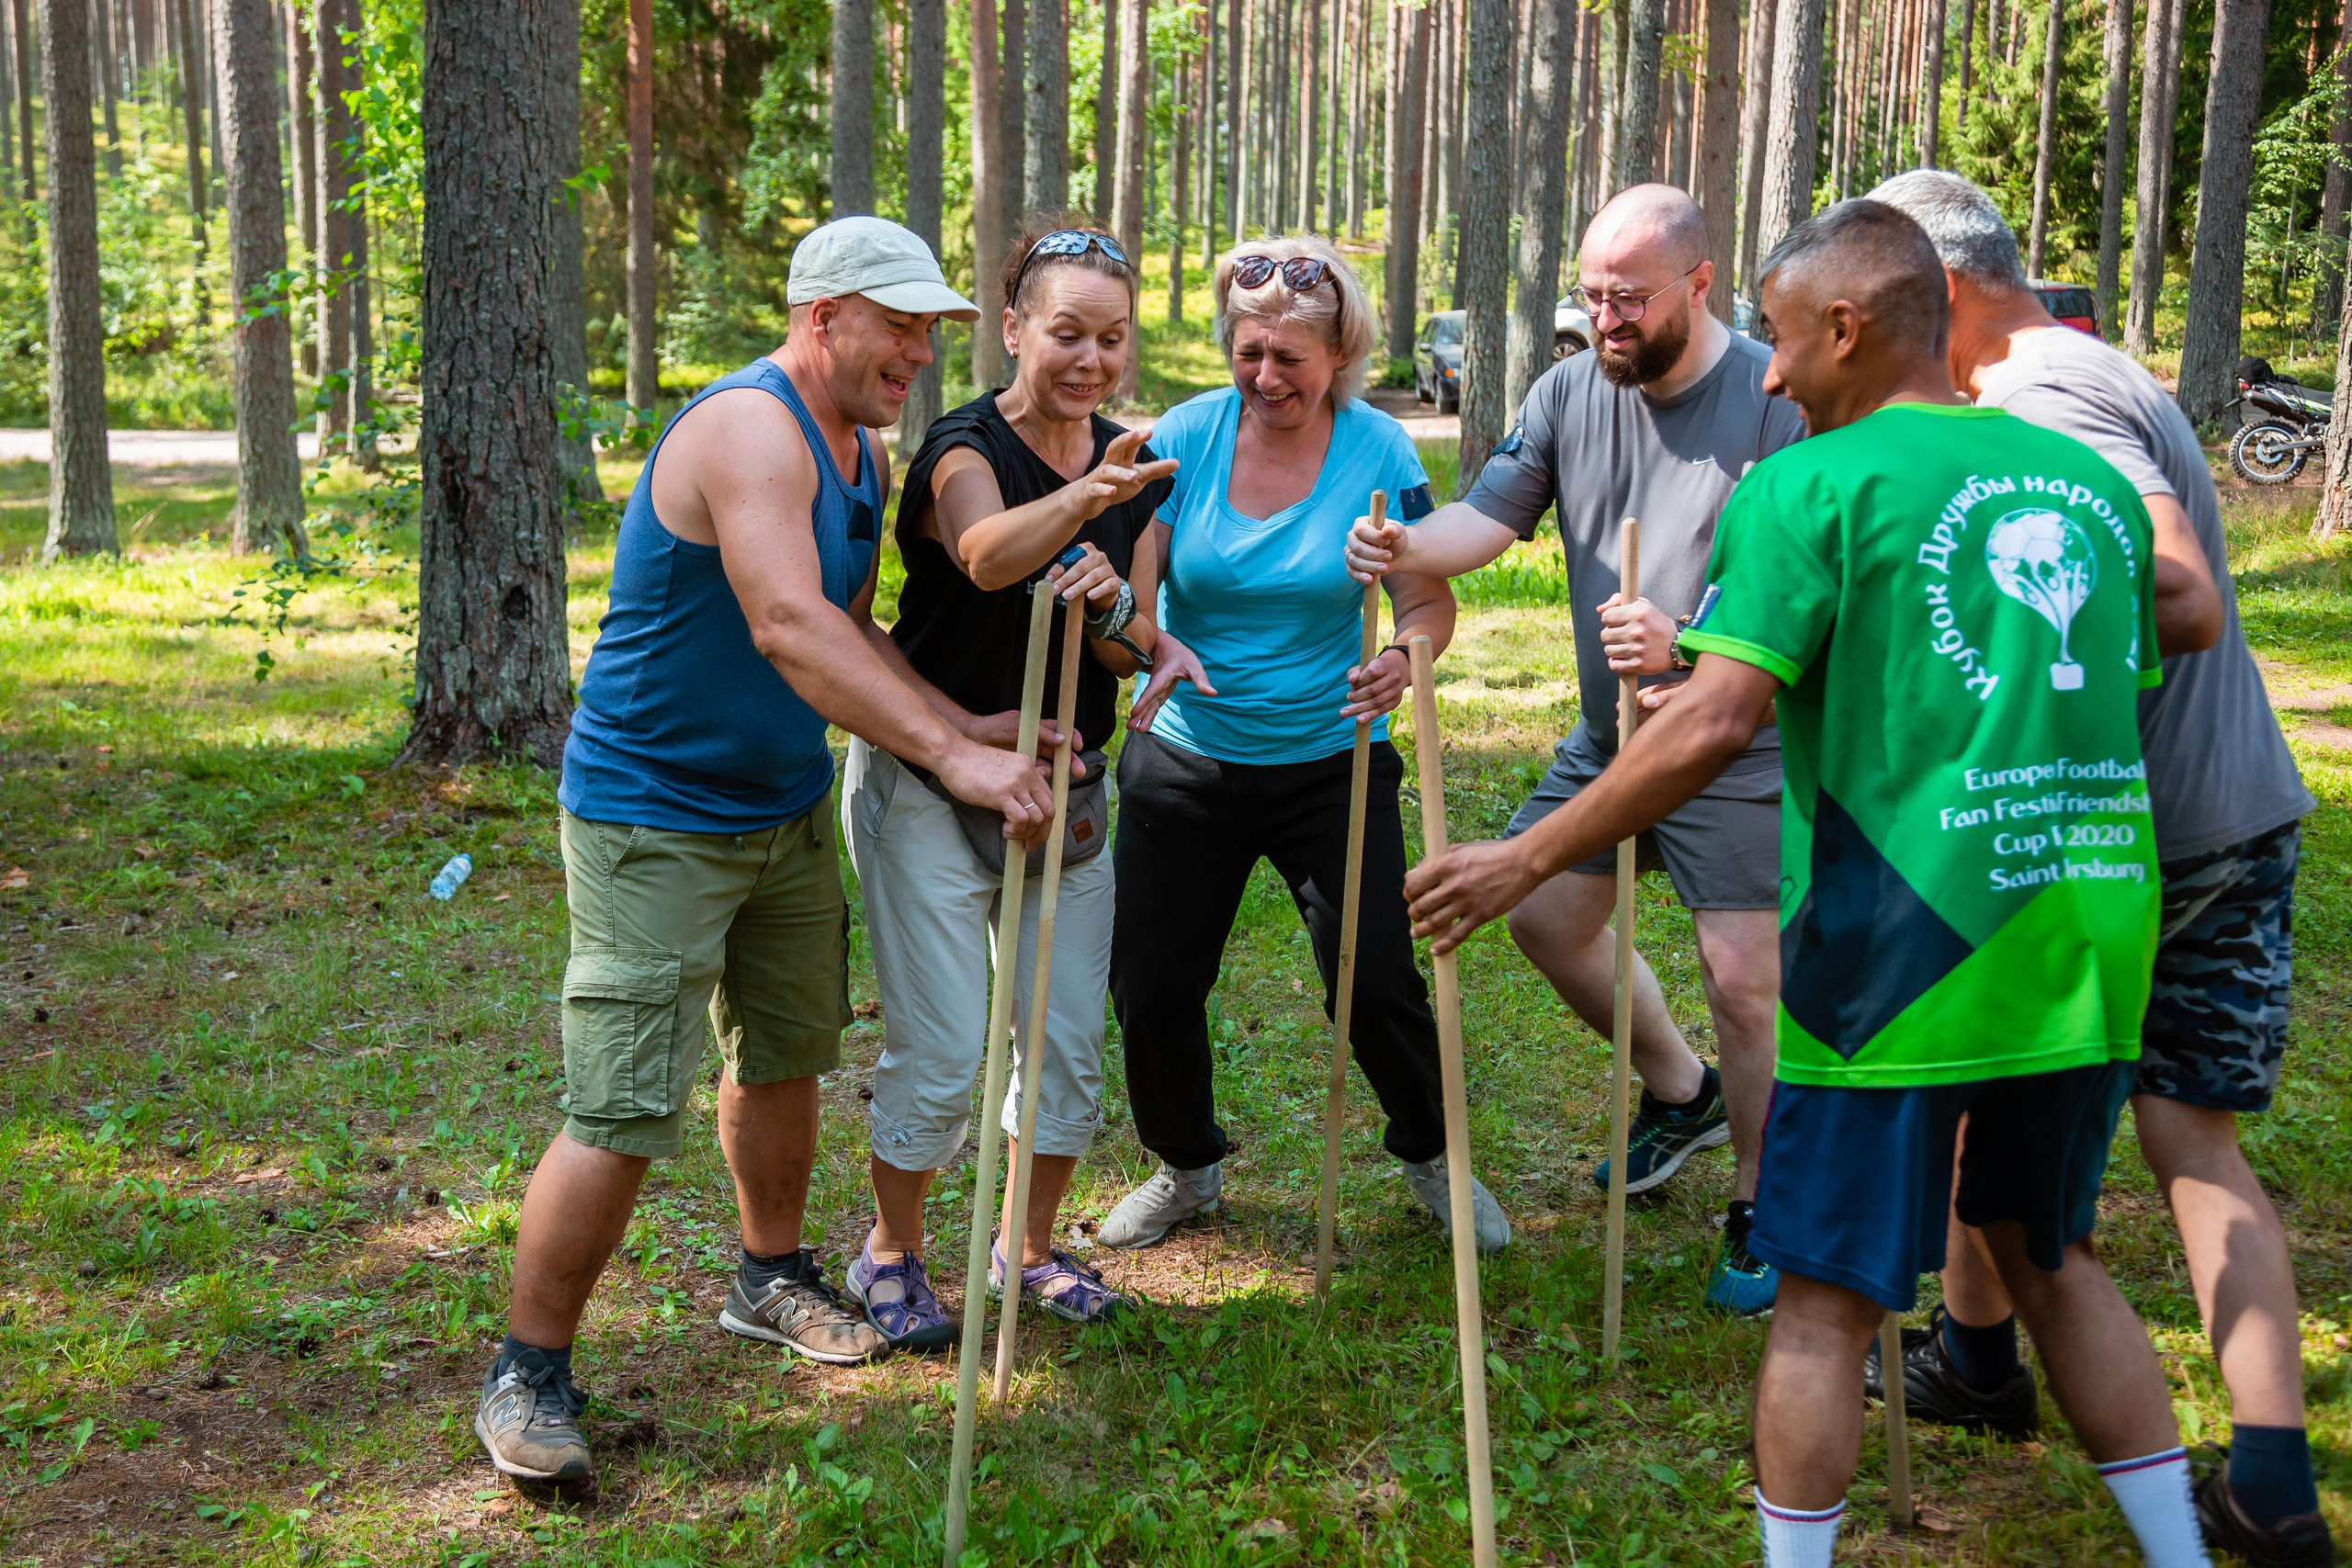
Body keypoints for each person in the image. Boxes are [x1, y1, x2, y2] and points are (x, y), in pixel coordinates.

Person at [1402, 200, 2224, 1568]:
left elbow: (1715, 719)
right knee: (2049, 1257)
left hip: (1901, 947)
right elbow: (2100, 679)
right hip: (2080, 929)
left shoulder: (1808, 484)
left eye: (1781, 341)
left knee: (1825, 1297)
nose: (1769, 377)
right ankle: (2182, 1554)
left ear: (1847, 326)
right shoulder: (2076, 482)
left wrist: (1524, 854)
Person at [473, 218, 1058, 1485]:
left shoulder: (858, 444)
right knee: (624, 1100)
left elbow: (850, 621)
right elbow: (788, 624)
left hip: (782, 803)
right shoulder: (749, 428)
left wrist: (962, 719)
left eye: (930, 329)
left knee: (787, 1051)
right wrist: (955, 765)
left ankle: (769, 1272)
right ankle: (530, 1367)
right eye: (897, 324)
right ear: (821, 315)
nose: (918, 349)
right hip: (653, 815)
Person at [1869, 170, 2329, 1568]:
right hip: (2230, 809)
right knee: (2176, 1132)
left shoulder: (2037, 397)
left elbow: (2178, 586)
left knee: (2059, 1114)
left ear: (1938, 291)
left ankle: (2210, 1458)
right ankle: (2007, 1367)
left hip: (2129, 833)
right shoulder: (2081, 360)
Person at [1345, 184, 1804, 1314]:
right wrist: (1407, 543)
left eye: (1629, 299)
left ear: (1700, 285)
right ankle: (1679, 1088)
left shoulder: (1776, 401)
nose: (1604, 319)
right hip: (1614, 739)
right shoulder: (1567, 391)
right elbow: (1486, 523)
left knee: (1746, 982)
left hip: (1735, 739)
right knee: (1545, 914)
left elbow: (1811, 592)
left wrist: (1694, 640)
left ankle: (1767, 1206)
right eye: (1591, 296)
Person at [1098, 235, 1511, 1254]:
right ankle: (1184, 1166)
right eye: (1249, 353)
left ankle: (1431, 1157)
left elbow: (1425, 599)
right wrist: (1150, 641)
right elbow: (1135, 599)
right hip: (1186, 753)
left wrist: (1408, 657)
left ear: (1340, 356)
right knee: (1150, 985)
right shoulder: (1184, 438)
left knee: (1374, 981)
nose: (1267, 376)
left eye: (1290, 358)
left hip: (1330, 759)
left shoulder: (1378, 452)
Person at [842, 219, 1200, 1343]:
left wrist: (1129, 623)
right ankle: (889, 1253)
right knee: (944, 1049)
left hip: (1067, 791)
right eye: (1065, 334)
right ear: (1011, 329)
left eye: (1111, 338)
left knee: (1063, 1050)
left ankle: (1025, 1250)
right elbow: (987, 555)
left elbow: (1113, 637)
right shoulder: (959, 445)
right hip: (932, 783)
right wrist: (1084, 503)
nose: (1090, 361)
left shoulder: (1132, 474)